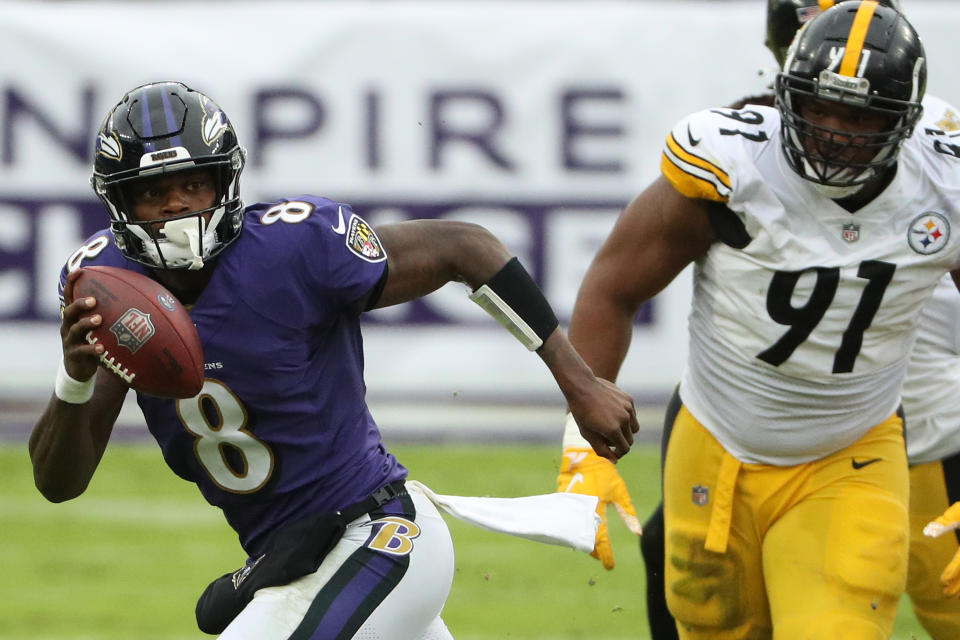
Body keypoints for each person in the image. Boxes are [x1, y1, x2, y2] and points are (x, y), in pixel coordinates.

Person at [28, 81, 640, 640]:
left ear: (227, 183)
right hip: (292, 558)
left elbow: (465, 247)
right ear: (119, 204)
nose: (178, 207)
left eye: (195, 185)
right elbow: (59, 484)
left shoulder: (295, 247)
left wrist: (579, 383)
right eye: (153, 193)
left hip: (378, 531)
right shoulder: (110, 294)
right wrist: (74, 377)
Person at [557, 2, 960, 637]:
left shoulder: (943, 187)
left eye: (858, 116)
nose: (833, 132)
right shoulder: (733, 166)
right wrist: (581, 449)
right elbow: (612, 289)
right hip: (713, 442)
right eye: (818, 108)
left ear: (905, 121)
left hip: (850, 452)